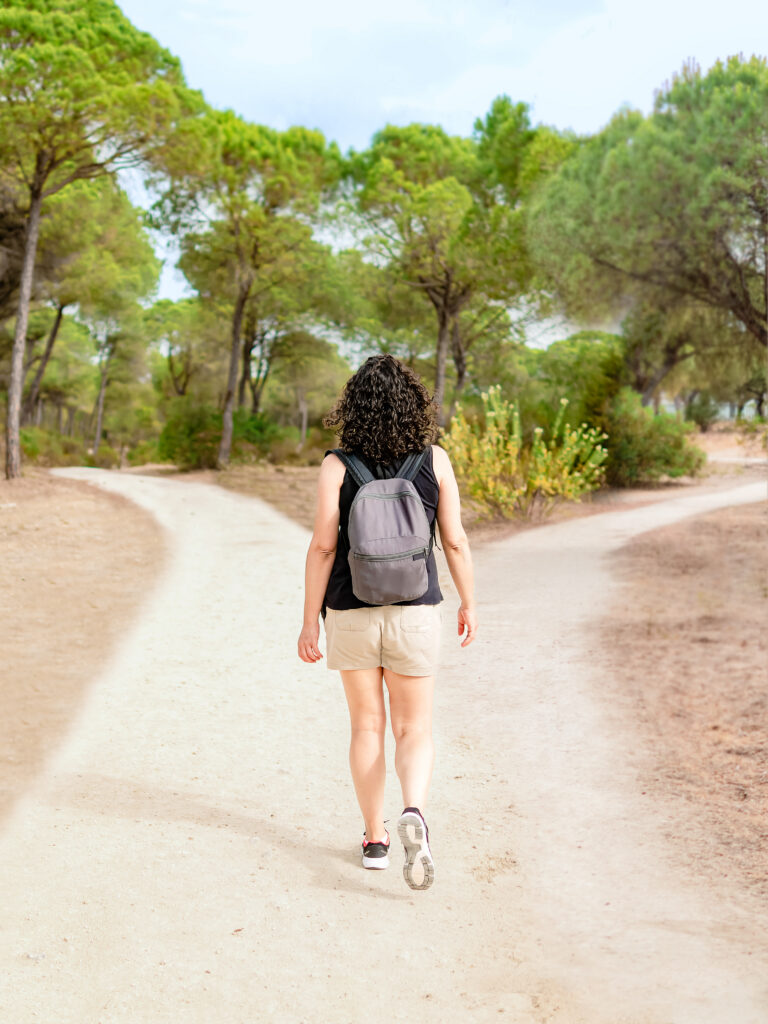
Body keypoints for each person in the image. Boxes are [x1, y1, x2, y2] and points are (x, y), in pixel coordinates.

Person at [297, 354, 477, 890]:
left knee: (367, 727)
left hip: (350, 611)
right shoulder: (434, 461)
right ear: (414, 403)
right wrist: (469, 601)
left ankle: (374, 839)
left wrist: (310, 620)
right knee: (413, 727)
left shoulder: (336, 465)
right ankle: (414, 812)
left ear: (352, 406)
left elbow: (323, 546)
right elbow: (456, 539)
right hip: (416, 610)